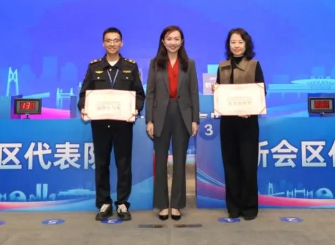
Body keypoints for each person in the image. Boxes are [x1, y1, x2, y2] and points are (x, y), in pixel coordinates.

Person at [78, 27, 145, 221]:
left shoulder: (130, 67)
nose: (112, 44)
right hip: (100, 125)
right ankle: (104, 203)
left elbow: (139, 94)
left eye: (116, 40)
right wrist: (84, 107)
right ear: (103, 43)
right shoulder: (94, 67)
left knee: (123, 164)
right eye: (108, 40)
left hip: (123, 124)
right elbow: (84, 94)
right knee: (101, 164)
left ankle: (122, 203)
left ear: (121, 43)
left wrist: (136, 108)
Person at [145, 25, 200, 221]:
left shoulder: (189, 63)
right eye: (169, 39)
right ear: (163, 41)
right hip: (160, 115)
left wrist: (194, 120)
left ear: (182, 41)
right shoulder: (155, 63)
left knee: (179, 161)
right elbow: (150, 93)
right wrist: (149, 120)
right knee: (160, 162)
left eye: (176, 39)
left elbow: (193, 93)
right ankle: (162, 204)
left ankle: (176, 204)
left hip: (182, 114)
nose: (173, 42)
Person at [212, 28, 265, 221]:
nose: (236, 46)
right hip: (228, 123)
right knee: (231, 165)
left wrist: (250, 109)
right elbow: (221, 94)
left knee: (248, 165)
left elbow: (261, 92)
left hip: (248, 123)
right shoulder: (222, 66)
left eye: (240, 42)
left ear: (246, 44)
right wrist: (216, 91)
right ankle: (233, 207)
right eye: (233, 42)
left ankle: (249, 207)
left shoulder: (254, 65)